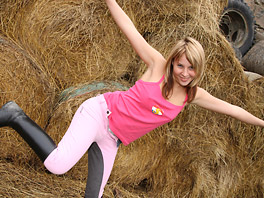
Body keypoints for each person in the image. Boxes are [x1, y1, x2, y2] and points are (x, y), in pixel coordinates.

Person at [0, 0, 263, 197]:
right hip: (98, 114)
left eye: (191, 68)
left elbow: (232, 109)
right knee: (58, 165)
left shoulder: (192, 95)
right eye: (180, 65)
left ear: (199, 69)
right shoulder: (157, 66)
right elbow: (129, 28)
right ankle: (14, 114)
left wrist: (261, 123)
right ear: (172, 62)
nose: (184, 73)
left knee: (94, 195)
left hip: (111, 139)